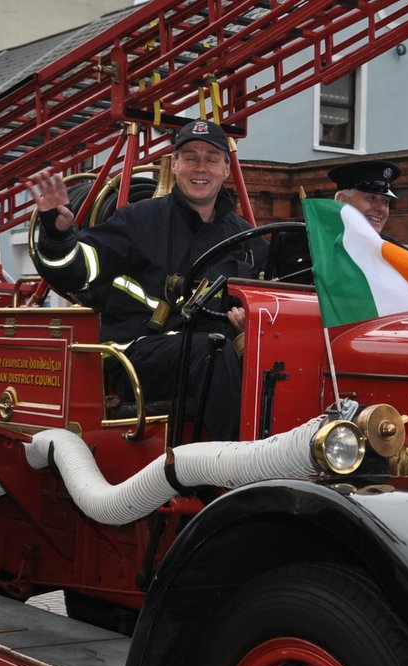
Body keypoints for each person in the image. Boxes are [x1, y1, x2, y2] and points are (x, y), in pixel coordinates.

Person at [27, 119, 258, 441]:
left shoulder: (245, 237)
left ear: (226, 169)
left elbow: (268, 298)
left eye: (211, 158)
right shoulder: (138, 220)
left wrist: (250, 323)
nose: (200, 167)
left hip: (207, 358)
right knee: (212, 349)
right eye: (190, 157)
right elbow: (76, 272)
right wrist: (58, 235)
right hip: (134, 353)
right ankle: (243, 466)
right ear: (174, 164)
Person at [329, 159, 400, 235]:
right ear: (342, 201)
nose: (382, 209)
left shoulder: (388, 246)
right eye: (372, 198)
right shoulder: (318, 242)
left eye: (386, 202)